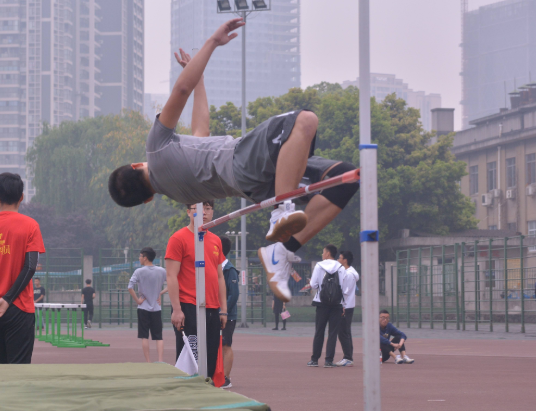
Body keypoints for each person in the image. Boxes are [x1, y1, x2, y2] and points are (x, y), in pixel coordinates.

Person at [107, 18, 359, 304]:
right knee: (304, 120)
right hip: (242, 159)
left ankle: (283, 250)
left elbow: (201, 133)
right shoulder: (155, 148)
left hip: (255, 185)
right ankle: (281, 211)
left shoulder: (176, 192)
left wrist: (199, 81)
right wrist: (212, 43)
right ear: (135, 164)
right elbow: (180, 91)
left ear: (147, 200)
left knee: (344, 178)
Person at [165, 200, 227, 379]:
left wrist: (223, 309)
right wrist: (177, 309)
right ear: (188, 212)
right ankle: (186, 394)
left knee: (211, 354)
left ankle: (207, 390)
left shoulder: (215, 240)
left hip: (212, 307)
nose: (204, 213)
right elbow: (171, 276)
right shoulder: (178, 238)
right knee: (190, 355)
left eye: (208, 209)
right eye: (199, 209)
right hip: (188, 305)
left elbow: (220, 276)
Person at [0, 173, 45, 364]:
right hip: (18, 308)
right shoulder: (30, 225)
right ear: (21, 197)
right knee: (18, 372)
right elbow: (29, 267)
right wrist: (7, 299)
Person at [307, 244, 350, 368]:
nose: (322, 254)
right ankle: (328, 360)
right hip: (336, 304)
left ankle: (315, 359)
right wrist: (343, 304)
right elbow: (344, 288)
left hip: (321, 303)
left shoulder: (319, 266)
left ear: (327, 254)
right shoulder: (341, 267)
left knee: (319, 331)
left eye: (323, 252)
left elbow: (314, 285)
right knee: (333, 332)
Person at [128, 247, 167, 363]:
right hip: (156, 308)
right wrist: (160, 293)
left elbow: (130, 287)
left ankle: (148, 362)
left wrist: (137, 300)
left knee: (144, 336)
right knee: (158, 336)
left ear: (145, 258)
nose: (139, 258)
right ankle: (160, 361)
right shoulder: (161, 271)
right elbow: (171, 283)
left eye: (140, 256)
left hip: (143, 308)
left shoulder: (139, 271)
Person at [219, 235, 240, 389]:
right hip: (216, 312)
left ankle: (226, 378)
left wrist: (224, 312)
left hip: (227, 315)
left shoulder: (229, 269)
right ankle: (217, 375)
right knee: (217, 345)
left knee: (226, 345)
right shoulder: (216, 266)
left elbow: (234, 294)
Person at [335, 251, 360, 367]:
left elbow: (346, 291)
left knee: (343, 333)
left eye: (340, 258)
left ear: (345, 260)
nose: (338, 260)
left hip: (345, 306)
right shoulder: (347, 272)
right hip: (347, 305)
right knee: (345, 332)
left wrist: (343, 306)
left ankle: (348, 357)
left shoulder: (349, 274)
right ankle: (348, 357)